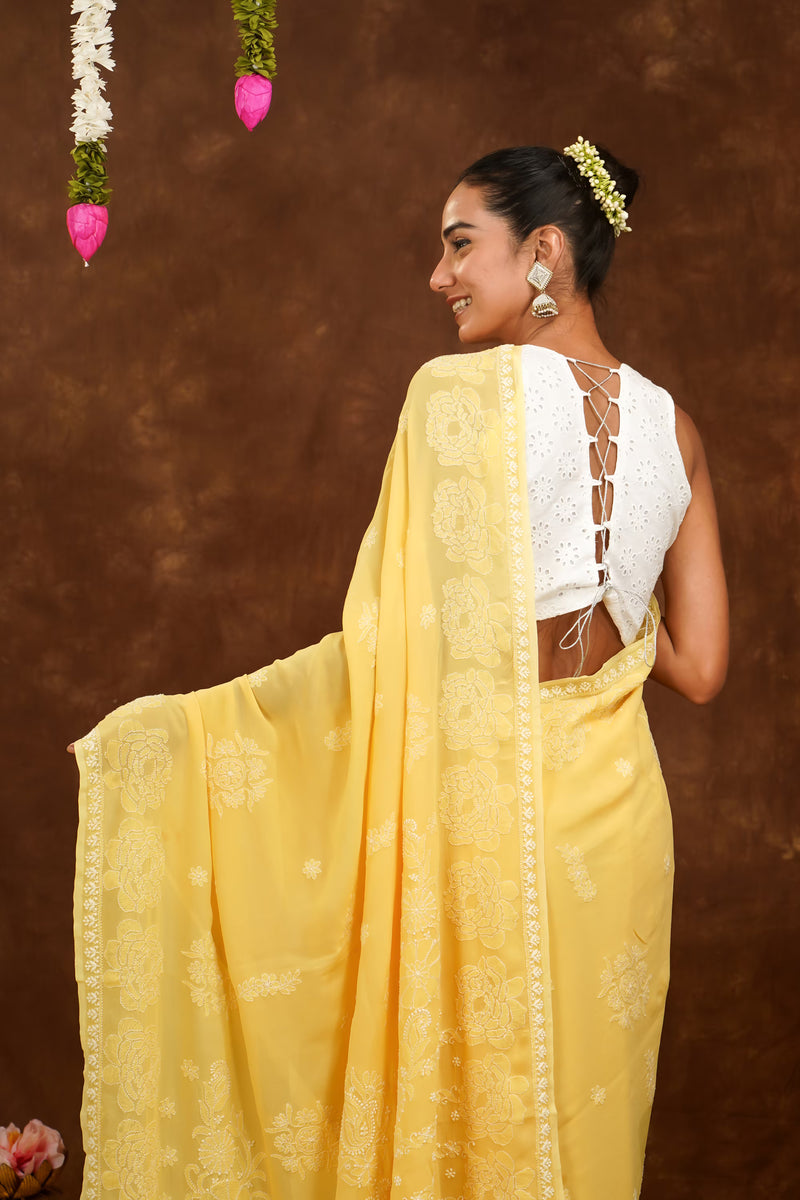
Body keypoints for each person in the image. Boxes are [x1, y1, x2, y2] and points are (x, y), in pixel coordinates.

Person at [71, 138, 727, 1200]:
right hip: (616, 822)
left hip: (481, 803)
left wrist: (187, 735)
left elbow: (392, 649)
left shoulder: (453, 399)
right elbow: (696, 668)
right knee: (584, 1121)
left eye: (461, 246)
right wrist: (608, 594)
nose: (439, 278)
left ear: (545, 252)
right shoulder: (676, 430)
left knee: (462, 1109)